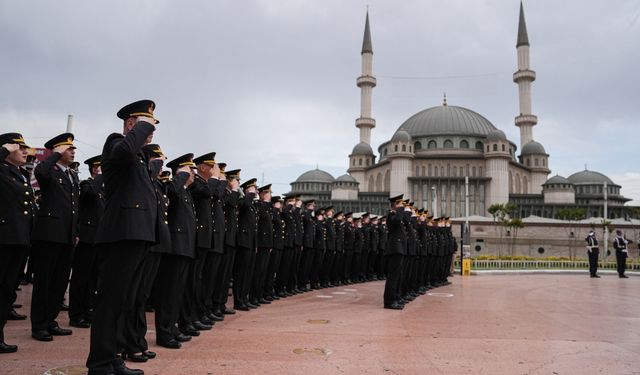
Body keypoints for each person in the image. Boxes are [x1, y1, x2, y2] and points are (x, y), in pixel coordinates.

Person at [86, 99, 159, 375]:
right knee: (110, 300)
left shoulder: (137, 156)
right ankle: (100, 363)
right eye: (146, 124)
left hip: (137, 234)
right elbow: (125, 150)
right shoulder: (117, 143)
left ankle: (113, 357)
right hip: (121, 234)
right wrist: (139, 130)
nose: (151, 131)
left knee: (124, 300)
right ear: (132, 123)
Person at [31, 133, 79, 342]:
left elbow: (74, 207)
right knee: (45, 281)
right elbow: (40, 171)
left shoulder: (72, 174)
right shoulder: (48, 170)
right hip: (49, 234)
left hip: (67, 235)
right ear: (58, 150)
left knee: (59, 281)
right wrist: (53, 155)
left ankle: (50, 320)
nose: (72, 151)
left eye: (72, 148)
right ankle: (39, 325)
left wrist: (75, 232)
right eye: (68, 148)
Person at [0, 133, 35, 353]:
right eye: (18, 147)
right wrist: (2, 149)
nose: (24, 151)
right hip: (3, 239)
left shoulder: (20, 174)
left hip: (18, 239)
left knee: (6, 291)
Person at [69, 155, 104, 329]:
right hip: (87, 237)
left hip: (98, 239)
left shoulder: (103, 189)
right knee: (80, 278)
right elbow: (89, 194)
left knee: (93, 279)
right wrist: (100, 177)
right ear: (94, 169)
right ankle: (76, 314)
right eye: (100, 167)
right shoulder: (87, 185)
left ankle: (88, 309)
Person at [383, 194, 408, 310]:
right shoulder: (391, 216)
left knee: (397, 276)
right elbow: (398, 220)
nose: (402, 206)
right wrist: (400, 209)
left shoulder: (397, 216)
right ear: (395, 205)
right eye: (400, 204)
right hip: (395, 249)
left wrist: (402, 210)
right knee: (393, 276)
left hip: (399, 249)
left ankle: (395, 298)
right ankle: (389, 301)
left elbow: (405, 221)